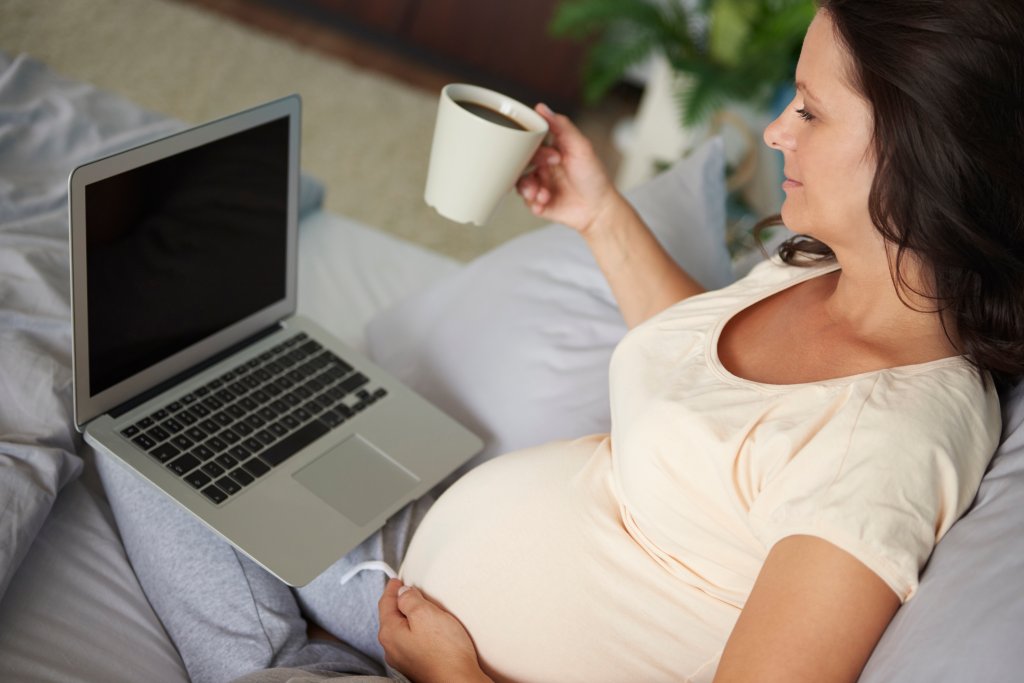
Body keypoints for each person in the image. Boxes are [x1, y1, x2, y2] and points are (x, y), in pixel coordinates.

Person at [97, 1, 1024, 682]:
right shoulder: (824, 265)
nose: (778, 128)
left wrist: (457, 677)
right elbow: (702, 384)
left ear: (920, 155)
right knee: (153, 412)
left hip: (444, 656)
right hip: (410, 557)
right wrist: (598, 212)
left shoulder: (889, 445)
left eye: (812, 112)